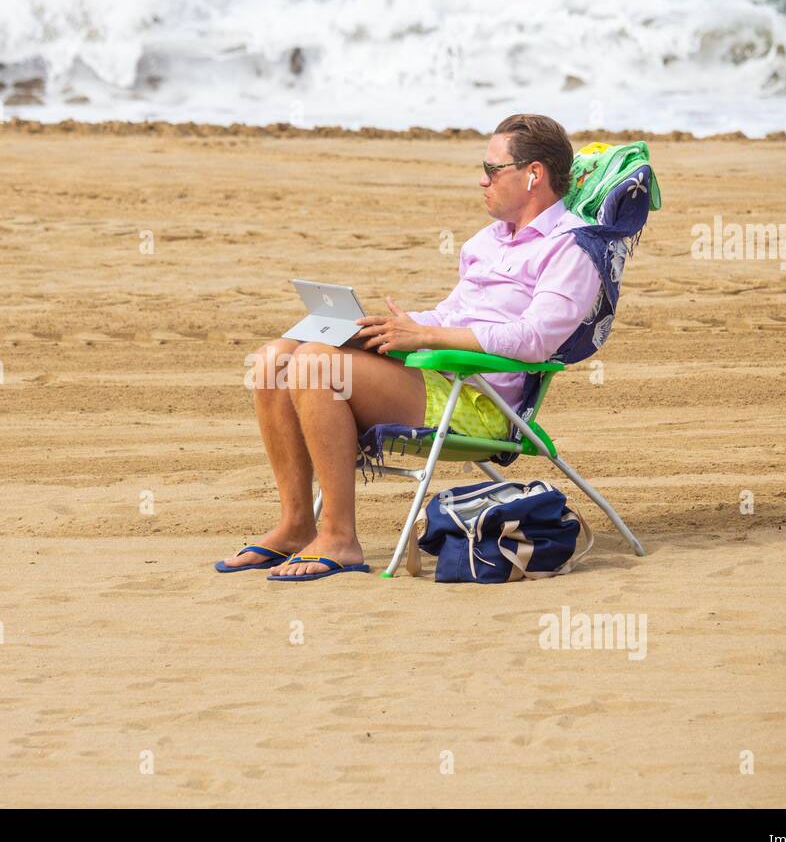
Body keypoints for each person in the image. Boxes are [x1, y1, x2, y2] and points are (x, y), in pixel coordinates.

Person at [217, 114, 603, 580]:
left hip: (479, 400)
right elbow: (451, 315)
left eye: (492, 169)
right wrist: (390, 328)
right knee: (275, 358)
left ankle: (340, 538)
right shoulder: (488, 241)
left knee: (317, 364)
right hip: (436, 372)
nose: (482, 180)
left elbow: (537, 339)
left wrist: (427, 337)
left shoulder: (570, 248)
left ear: (534, 174)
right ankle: (296, 525)